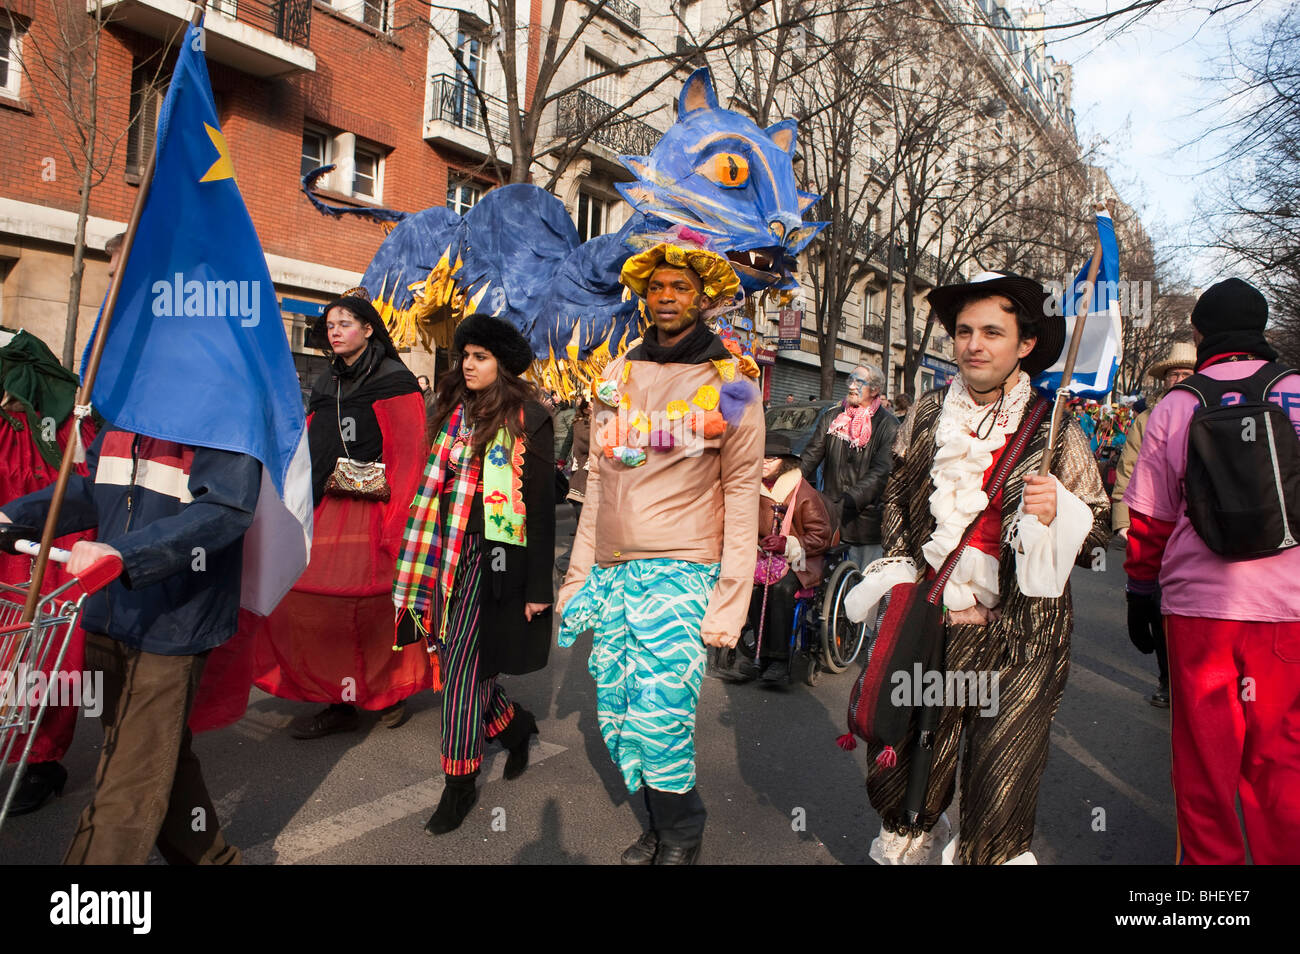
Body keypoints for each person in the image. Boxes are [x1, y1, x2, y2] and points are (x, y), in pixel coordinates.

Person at [844, 271, 1110, 865]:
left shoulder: (1056, 428)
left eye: (993, 331)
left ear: (1025, 345)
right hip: (931, 626)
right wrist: (905, 579)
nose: (974, 344)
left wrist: (1059, 511)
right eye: (965, 331)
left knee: (999, 792)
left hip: (1020, 638)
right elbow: (897, 502)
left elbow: (1095, 541)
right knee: (908, 775)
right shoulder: (928, 412)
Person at [557, 243, 764, 865]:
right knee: (618, 711)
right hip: (615, 570)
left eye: (680, 286)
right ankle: (657, 821)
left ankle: (682, 833)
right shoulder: (616, 376)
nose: (666, 297)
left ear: (703, 297)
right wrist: (577, 576)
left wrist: (731, 602)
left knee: (662, 712)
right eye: (657, 288)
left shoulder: (732, 386)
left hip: (683, 571)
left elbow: (742, 496)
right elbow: (599, 484)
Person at [0, 428, 261, 863]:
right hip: (112, 607)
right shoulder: (128, 410)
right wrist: (18, 515)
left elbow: (224, 510)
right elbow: (91, 487)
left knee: (131, 774)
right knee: (156, 753)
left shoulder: (220, 415)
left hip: (175, 616)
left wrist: (127, 552)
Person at [1123, 279, 1300, 864]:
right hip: (1289, 611)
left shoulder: (1177, 405)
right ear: (1264, 329)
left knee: (1204, 765)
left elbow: (1149, 520)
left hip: (1200, 613)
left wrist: (1139, 592)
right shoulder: (1297, 392)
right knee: (1282, 761)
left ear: (1200, 335)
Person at [394, 313, 555, 836]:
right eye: (464, 355)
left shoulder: (529, 417)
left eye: (480, 357)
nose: (467, 364)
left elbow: (539, 508)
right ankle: (511, 724)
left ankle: (458, 781)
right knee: (463, 656)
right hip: (448, 554)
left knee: (462, 665)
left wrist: (536, 588)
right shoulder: (451, 411)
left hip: (498, 560)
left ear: (502, 366)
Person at [251, 293, 435, 738]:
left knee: (379, 606)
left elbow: (409, 455)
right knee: (315, 601)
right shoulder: (325, 383)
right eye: (330, 324)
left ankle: (390, 690)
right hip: (327, 506)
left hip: (377, 511)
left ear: (369, 329)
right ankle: (339, 698)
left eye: (345, 323)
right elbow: (310, 447)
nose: (334, 331)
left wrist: (399, 525)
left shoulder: (395, 380)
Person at [1111, 340, 1195, 708]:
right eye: (1174, 373)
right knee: (1161, 605)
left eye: (1186, 372)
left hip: (1200, 531)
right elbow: (1128, 471)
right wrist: (1122, 521)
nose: (1179, 378)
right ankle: (1167, 678)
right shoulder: (1147, 419)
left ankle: (1193, 678)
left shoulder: (1212, 407)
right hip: (1156, 527)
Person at [739, 432, 831, 684]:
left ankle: (778, 661)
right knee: (754, 585)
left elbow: (821, 536)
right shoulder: (752, 488)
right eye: (762, 458)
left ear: (786, 462)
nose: (765, 463)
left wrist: (786, 543)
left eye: (772, 458)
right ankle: (761, 654)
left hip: (799, 560)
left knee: (779, 587)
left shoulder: (803, 492)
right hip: (764, 557)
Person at [799, 364, 898, 570]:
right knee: (829, 587)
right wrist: (787, 481)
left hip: (865, 523)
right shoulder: (832, 417)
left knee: (862, 586)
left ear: (875, 390)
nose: (852, 386)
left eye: (859, 382)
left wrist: (848, 500)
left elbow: (881, 472)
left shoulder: (888, 425)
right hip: (831, 519)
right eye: (850, 380)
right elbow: (810, 456)